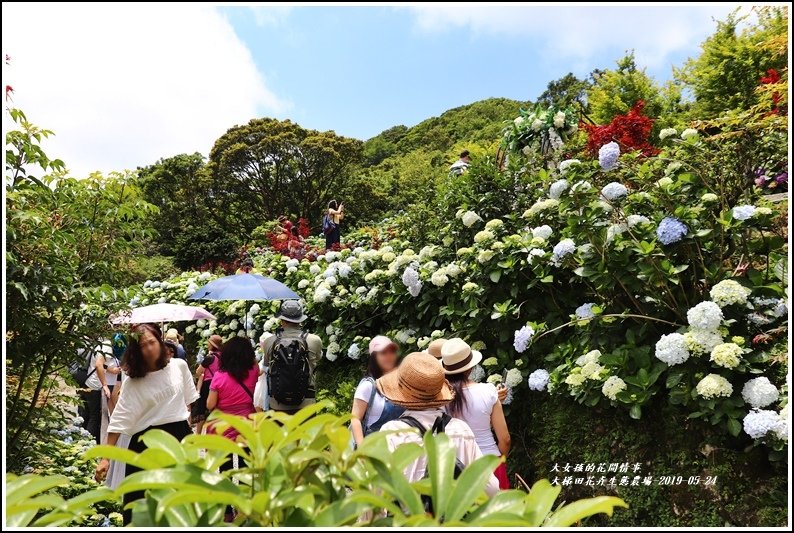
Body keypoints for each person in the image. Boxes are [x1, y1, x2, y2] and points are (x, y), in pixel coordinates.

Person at [94, 324, 198, 525]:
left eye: (152, 342)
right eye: (143, 345)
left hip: (179, 439)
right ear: (136, 351)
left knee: (181, 504)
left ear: (159, 341)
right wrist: (105, 459)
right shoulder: (133, 383)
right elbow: (118, 423)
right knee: (140, 508)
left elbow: (188, 403)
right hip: (145, 446)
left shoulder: (179, 366)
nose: (149, 348)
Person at [377, 352, 499, 497]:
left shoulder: (392, 433)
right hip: (453, 517)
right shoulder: (460, 430)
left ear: (401, 392)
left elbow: (376, 490)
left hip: (406, 518)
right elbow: (491, 488)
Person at [441, 338, 511, 489]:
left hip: (454, 466)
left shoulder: (439, 398)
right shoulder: (488, 391)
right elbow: (505, 439)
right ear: (470, 368)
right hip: (489, 462)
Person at [206, 337, 259, 521]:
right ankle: (246, 508)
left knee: (225, 469)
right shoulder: (253, 370)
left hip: (223, 426)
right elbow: (254, 363)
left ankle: (228, 511)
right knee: (246, 467)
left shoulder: (219, 377)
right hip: (247, 424)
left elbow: (210, 405)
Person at [262, 301, 323, 414]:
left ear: (282, 319)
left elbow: (266, 367)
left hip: (277, 405)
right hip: (306, 404)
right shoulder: (314, 340)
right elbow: (317, 360)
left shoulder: (269, 342)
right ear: (301, 319)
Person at [350, 336, 405, 447]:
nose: (389, 356)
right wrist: (361, 450)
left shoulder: (402, 383)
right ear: (374, 357)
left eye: (392, 352)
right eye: (383, 353)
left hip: (399, 446)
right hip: (372, 447)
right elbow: (355, 419)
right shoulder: (368, 386)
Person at [84, 341, 121, 443]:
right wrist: (105, 385)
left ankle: (85, 443)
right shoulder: (107, 346)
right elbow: (99, 365)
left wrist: (110, 370)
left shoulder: (100, 343)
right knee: (95, 417)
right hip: (95, 385)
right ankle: (89, 445)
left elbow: (101, 364)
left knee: (88, 415)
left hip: (88, 383)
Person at [192, 335, 223, 434]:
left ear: (212, 344)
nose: (207, 344)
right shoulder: (223, 357)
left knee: (202, 410)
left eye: (209, 343)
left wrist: (202, 373)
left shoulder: (210, 357)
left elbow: (198, 371)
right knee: (215, 409)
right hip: (220, 384)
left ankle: (198, 434)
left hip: (208, 384)